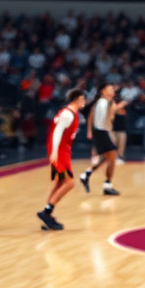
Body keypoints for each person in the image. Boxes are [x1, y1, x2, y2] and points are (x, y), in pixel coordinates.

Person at [38, 87, 86, 231]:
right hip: (59, 151)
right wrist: (54, 152)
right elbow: (57, 132)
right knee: (69, 183)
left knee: (59, 182)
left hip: (63, 150)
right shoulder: (68, 114)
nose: (84, 101)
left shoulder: (71, 113)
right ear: (76, 100)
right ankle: (46, 212)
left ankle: (48, 214)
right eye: (82, 99)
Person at [80, 84, 120, 196]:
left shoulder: (105, 102)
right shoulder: (103, 102)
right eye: (109, 89)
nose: (112, 90)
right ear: (103, 91)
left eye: (113, 88)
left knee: (110, 157)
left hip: (102, 132)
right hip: (101, 132)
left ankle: (105, 184)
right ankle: (89, 175)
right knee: (111, 156)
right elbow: (94, 117)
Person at [112, 95, 129, 164]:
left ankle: (120, 157)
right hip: (112, 129)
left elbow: (126, 103)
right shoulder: (110, 106)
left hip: (122, 129)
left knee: (121, 143)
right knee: (113, 143)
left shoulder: (124, 106)